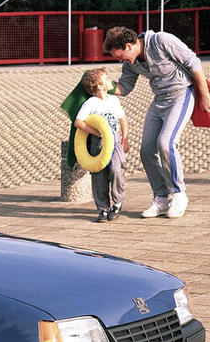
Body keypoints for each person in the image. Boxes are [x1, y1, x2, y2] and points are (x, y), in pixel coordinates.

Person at [104, 26, 210, 218]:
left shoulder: (161, 41)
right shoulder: (131, 62)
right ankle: (161, 198)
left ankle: (179, 194)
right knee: (147, 149)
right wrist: (100, 85)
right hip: (159, 100)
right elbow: (125, 87)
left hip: (182, 95)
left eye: (119, 56)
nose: (120, 60)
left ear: (128, 46)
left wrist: (204, 95)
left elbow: (193, 61)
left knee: (166, 144)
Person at [74, 67, 129, 222]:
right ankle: (103, 208)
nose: (110, 81)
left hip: (115, 141)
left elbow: (122, 119)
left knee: (116, 171)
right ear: (99, 86)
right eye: (106, 79)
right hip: (98, 143)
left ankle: (117, 203)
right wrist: (96, 132)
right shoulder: (90, 104)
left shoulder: (113, 100)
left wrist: (125, 139)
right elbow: (78, 122)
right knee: (99, 177)